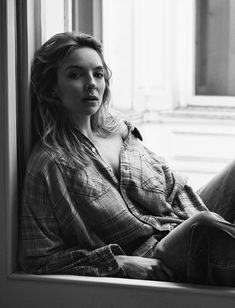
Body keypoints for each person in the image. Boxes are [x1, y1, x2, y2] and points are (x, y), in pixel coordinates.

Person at [19, 31, 235, 286]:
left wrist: (195, 221)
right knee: (204, 225)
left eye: (98, 74)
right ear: (53, 88)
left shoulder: (118, 128)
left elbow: (174, 186)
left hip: (181, 224)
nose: (91, 84)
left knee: (206, 220)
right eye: (75, 75)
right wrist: (118, 262)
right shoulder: (48, 163)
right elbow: (38, 258)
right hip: (154, 256)